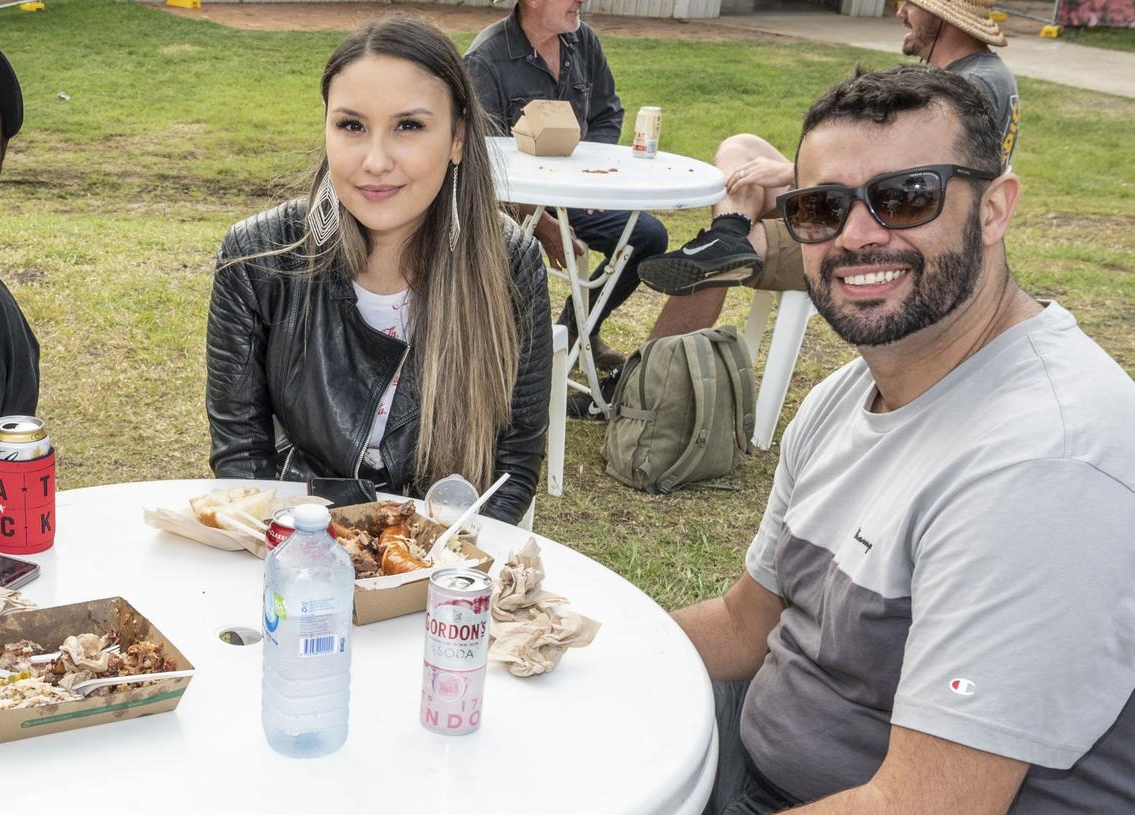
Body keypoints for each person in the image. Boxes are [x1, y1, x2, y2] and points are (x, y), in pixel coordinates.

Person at [672, 65, 1135, 815]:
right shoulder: (846, 393)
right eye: (821, 208)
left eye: (906, 197)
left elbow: (925, 803)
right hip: (754, 751)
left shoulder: (1049, 459)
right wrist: (581, 637)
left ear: (995, 208)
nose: (857, 236)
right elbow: (744, 624)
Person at [209, 14, 551, 525]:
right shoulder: (255, 258)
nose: (374, 160)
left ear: (457, 138)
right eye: (352, 126)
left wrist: (437, 568)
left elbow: (513, 468)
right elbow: (243, 462)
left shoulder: (511, 264)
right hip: (299, 543)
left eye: (408, 126)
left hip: (449, 556)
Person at [638, 0, 1019, 340]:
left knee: (717, 263)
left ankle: (648, 379)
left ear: (941, 16)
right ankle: (727, 233)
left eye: (910, 4)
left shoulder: (967, 88)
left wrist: (791, 174)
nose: (900, 11)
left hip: (883, 227)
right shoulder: (982, 74)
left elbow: (896, 184)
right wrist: (795, 174)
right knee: (743, 147)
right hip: (870, 207)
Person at [463, 0, 666, 379]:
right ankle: (515, 364)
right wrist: (543, 226)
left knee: (648, 236)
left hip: (575, 197)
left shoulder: (582, 40)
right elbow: (481, 169)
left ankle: (576, 331)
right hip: (510, 209)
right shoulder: (486, 59)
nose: (582, 1)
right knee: (509, 260)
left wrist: (587, 184)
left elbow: (607, 114)